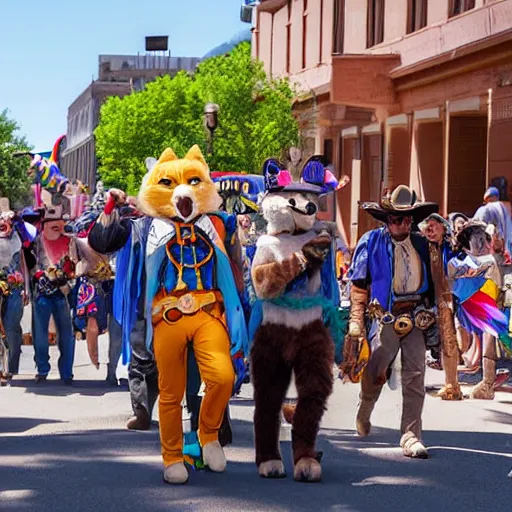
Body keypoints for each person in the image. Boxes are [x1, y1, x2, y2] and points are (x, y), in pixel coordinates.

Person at [346, 185, 438, 459]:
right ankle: (366, 406)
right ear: (387, 220)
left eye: (408, 218)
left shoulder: (423, 243)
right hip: (384, 315)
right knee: (376, 368)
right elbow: (359, 284)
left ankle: (411, 435)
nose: (404, 223)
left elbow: (440, 277)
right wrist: (356, 319)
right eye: (398, 218)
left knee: (415, 376)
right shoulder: (372, 242)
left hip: (416, 315)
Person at [31, 206, 77, 384]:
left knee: (66, 334)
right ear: (44, 225)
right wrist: (38, 275)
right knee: (40, 334)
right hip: (42, 293)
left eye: (59, 223)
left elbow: (74, 264)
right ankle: (42, 369)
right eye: (52, 224)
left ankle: (66, 372)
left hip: (63, 292)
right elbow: (29, 264)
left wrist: (66, 278)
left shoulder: (70, 242)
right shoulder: (36, 242)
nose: (57, 227)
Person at [423, 213, 462, 400]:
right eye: (427, 226)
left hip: (446, 299)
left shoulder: (451, 247)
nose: (429, 229)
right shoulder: (421, 247)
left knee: (448, 339)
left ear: (443, 228)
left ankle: (452, 384)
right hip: (425, 299)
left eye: (434, 225)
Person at [474, 186, 512, 257]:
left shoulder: (485, 208)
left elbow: (476, 224)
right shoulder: (505, 208)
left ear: (488, 198)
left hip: (492, 251)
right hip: (507, 250)